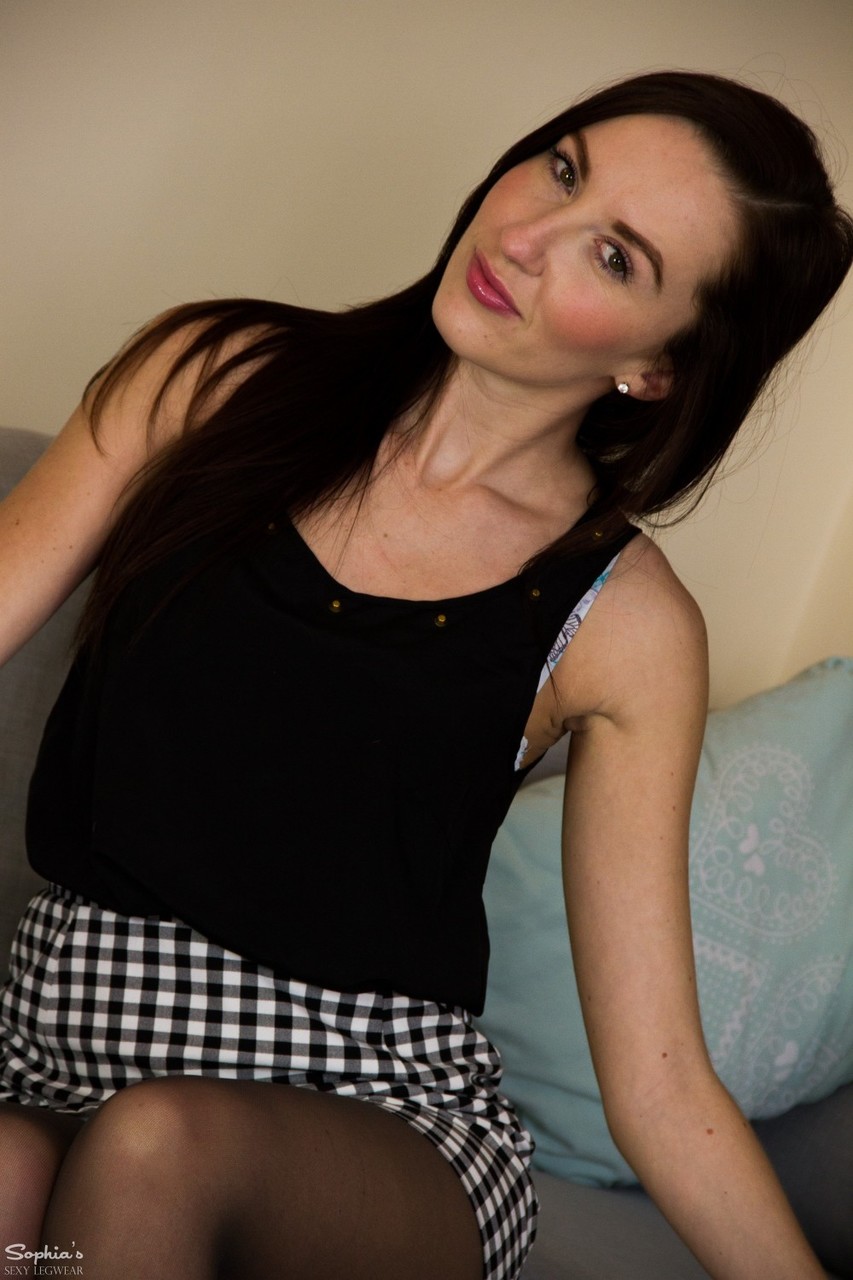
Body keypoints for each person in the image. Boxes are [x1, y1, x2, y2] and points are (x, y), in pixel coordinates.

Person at [0, 69, 850, 1280]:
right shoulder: (209, 381)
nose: (529, 235)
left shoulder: (621, 619)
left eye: (614, 256)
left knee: (154, 1149)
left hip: (375, 1121)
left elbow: (660, 1082)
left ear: (657, 368)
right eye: (563, 167)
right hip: (64, 1053)